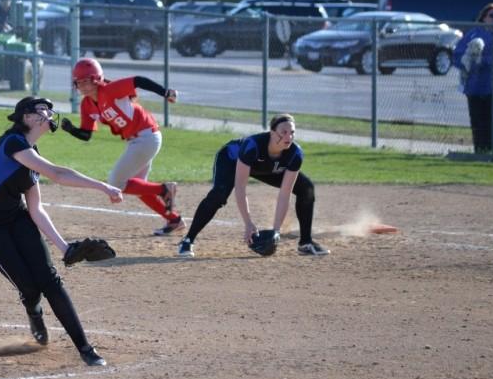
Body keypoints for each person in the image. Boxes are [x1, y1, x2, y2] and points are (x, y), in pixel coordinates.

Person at [0, 96, 124, 366]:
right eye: (42, 110)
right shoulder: (13, 143)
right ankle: (33, 309)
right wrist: (104, 187)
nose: (49, 113)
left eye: (49, 110)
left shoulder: (31, 155)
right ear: (27, 117)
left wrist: (65, 248)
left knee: (50, 281)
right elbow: (58, 174)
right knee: (29, 286)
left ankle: (86, 349)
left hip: (16, 217)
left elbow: (36, 210)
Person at [176, 114, 329, 258]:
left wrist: (276, 230)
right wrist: (248, 223)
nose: (288, 137)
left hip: (266, 167)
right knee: (219, 195)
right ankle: (188, 240)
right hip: (232, 159)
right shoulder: (252, 145)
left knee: (306, 188)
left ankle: (305, 243)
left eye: (292, 132)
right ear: (272, 132)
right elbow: (240, 187)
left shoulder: (295, 154)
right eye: (284, 132)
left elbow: (285, 193)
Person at [61, 57, 184, 235]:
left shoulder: (110, 90)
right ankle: (174, 220)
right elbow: (86, 134)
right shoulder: (87, 104)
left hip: (146, 136)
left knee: (116, 183)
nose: (83, 86)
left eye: (87, 81)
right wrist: (70, 129)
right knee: (140, 189)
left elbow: (139, 80)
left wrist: (165, 92)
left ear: (97, 79)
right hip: (137, 141)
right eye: (79, 83)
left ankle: (164, 189)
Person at [452, 3, 493, 155]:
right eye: (492, 15)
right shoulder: (473, 34)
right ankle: (480, 151)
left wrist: (490, 62)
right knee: (478, 120)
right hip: (474, 85)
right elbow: (457, 56)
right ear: (484, 17)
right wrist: (468, 62)